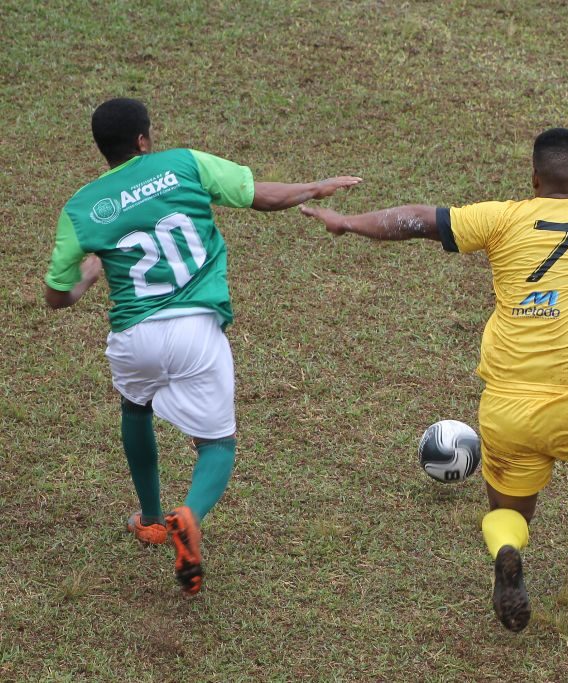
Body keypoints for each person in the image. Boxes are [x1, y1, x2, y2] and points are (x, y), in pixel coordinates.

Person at [298, 127, 568, 632]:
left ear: (534, 178)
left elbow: (415, 222)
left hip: (505, 408)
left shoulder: (501, 218)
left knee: (510, 509)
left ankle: (506, 551)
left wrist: (347, 222)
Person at [44, 97, 360, 595]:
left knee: (135, 406)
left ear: (102, 150)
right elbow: (259, 195)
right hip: (195, 331)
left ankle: (149, 519)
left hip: (134, 338)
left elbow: (55, 297)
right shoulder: (183, 164)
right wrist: (315, 187)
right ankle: (188, 515)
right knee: (218, 445)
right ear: (144, 141)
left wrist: (89, 273)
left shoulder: (81, 207)